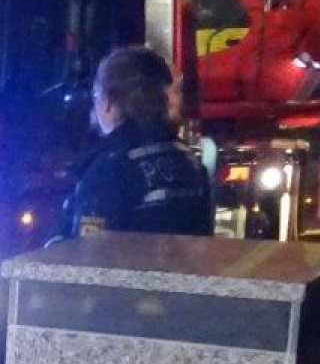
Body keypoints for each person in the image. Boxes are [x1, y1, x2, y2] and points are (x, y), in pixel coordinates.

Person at [63, 45, 213, 239]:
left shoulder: (108, 169)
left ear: (109, 102)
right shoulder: (189, 160)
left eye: (96, 96)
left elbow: (91, 248)